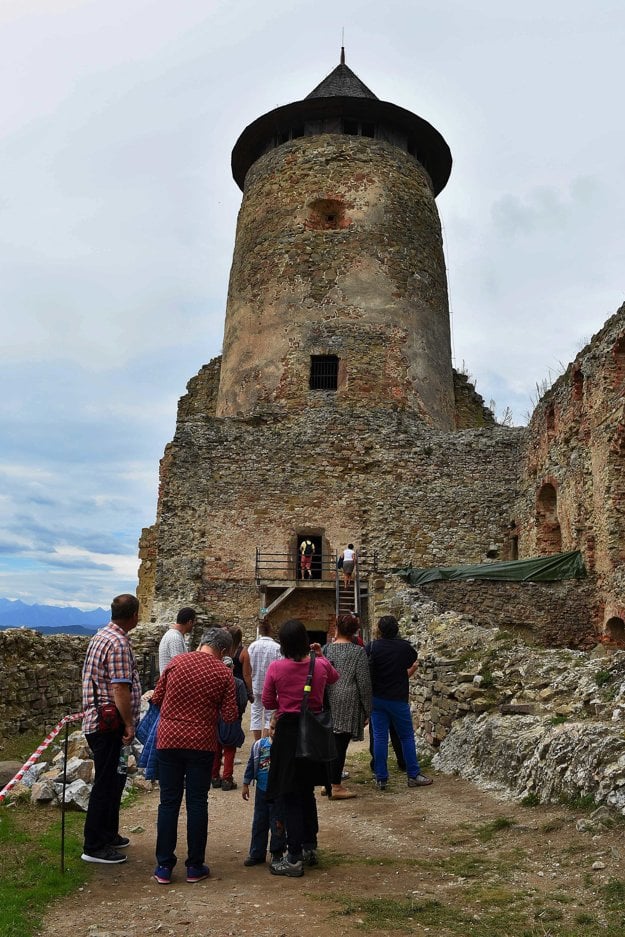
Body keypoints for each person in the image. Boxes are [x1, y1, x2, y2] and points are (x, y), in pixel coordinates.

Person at [151, 627, 238, 885]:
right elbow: (231, 716)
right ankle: (194, 866)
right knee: (197, 802)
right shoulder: (223, 672)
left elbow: (157, 697)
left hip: (169, 739)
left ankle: (164, 866)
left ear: (201, 643)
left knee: (168, 802)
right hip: (201, 743)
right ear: (223, 651)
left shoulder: (176, 662)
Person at [262, 619, 339, 877]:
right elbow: (335, 678)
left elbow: (267, 700)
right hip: (313, 731)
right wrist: (319, 655)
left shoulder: (276, 667)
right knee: (306, 792)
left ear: (282, 643)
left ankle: (293, 857)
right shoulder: (320, 665)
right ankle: (309, 845)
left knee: (291, 794)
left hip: (288, 733)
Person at [81, 593, 142, 864]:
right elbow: (119, 687)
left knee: (114, 779)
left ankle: (107, 833)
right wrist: (129, 723)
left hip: (101, 721)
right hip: (108, 725)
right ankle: (94, 845)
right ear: (134, 615)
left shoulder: (101, 635)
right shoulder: (117, 643)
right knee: (105, 783)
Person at [366, 615, 432, 791]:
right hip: (398, 698)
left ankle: (381, 778)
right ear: (396, 629)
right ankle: (413, 774)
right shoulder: (404, 648)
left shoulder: (372, 647)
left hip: (377, 698)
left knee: (380, 737)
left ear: (379, 630)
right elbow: (411, 662)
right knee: (406, 737)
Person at [323, 613, 372, 800]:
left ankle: (327, 782)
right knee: (340, 745)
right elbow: (364, 684)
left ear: (337, 628)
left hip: (328, 698)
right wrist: (368, 709)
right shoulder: (358, 652)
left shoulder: (327, 650)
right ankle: (335, 785)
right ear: (354, 632)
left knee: (330, 743)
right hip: (347, 700)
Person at [241, 713, 286, 867]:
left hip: (278, 792)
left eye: (278, 729)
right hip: (261, 790)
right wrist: (246, 783)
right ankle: (256, 853)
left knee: (277, 823)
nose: (274, 732)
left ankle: (277, 853)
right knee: (259, 822)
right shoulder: (259, 745)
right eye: (272, 728)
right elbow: (251, 764)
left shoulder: (286, 749)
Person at [211, 655, 248, 791]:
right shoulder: (238, 683)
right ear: (232, 667)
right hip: (232, 718)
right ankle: (227, 778)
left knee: (216, 748)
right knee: (230, 749)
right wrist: (238, 714)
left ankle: (214, 777)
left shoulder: (215, 681)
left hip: (217, 718)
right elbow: (243, 701)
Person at [248, 620, 282, 740]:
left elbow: (249, 666)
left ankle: (257, 743)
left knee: (255, 714)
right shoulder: (277, 648)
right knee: (269, 715)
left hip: (255, 683)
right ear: (271, 630)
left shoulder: (252, 646)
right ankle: (265, 743)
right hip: (272, 686)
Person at [158, 607, 196, 674]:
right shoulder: (175, 638)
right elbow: (179, 667)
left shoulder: (174, 635)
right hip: (170, 683)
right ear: (190, 622)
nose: (193, 625)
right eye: (193, 622)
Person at [228, 624, 253, 700]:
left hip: (227, 682)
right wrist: (250, 691)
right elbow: (246, 675)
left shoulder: (224, 649)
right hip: (239, 686)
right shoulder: (243, 652)